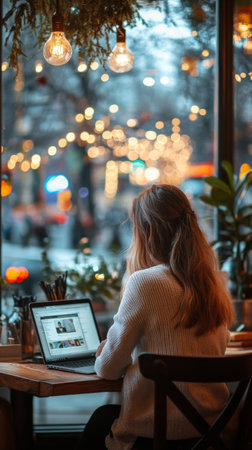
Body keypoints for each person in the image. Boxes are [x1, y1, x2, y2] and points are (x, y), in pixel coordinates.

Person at [77, 184, 236, 450]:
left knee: (99, 422)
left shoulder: (145, 283)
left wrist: (107, 352)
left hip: (155, 439)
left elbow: (107, 368)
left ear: (147, 232)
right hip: (210, 437)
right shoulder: (212, 283)